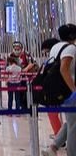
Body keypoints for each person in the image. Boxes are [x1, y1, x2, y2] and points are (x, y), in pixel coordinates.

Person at [42, 24, 76, 156]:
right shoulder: (71, 48)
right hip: (68, 91)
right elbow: (64, 69)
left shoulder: (56, 47)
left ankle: (54, 147)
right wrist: (74, 91)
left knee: (72, 121)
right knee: (74, 125)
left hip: (59, 90)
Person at [41, 38, 64, 138]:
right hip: (61, 90)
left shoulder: (54, 60)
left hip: (57, 91)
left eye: (46, 51)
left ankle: (59, 136)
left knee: (53, 114)